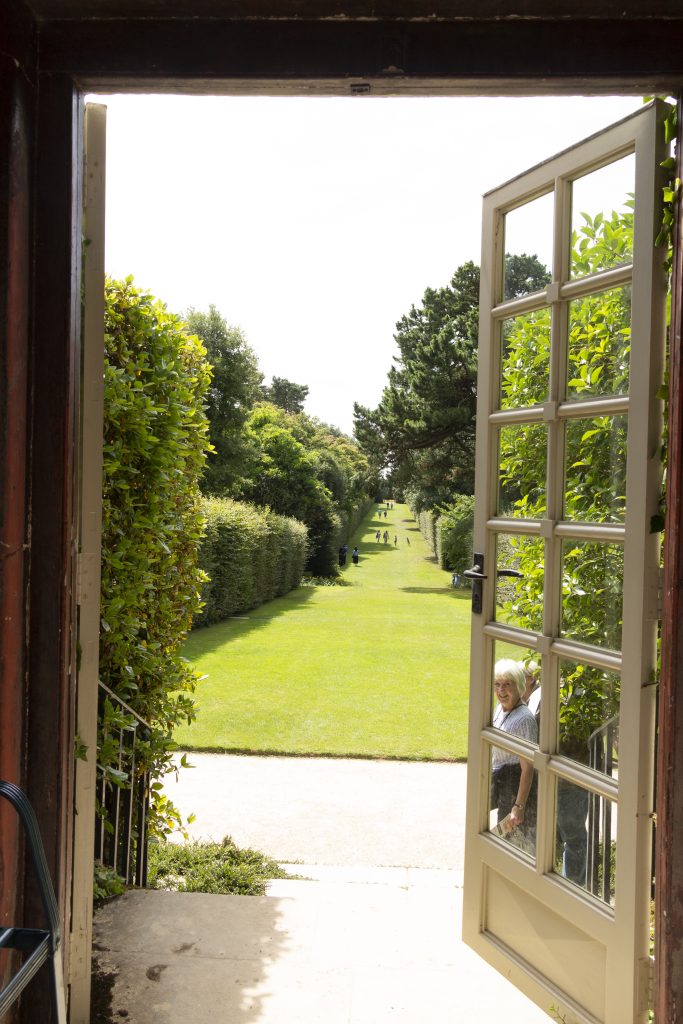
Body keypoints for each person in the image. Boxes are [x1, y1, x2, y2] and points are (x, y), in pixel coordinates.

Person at [490, 659, 538, 849]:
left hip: (513, 790)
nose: (501, 691)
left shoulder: (524, 719)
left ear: (518, 686)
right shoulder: (499, 709)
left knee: (511, 847)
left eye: (507, 685)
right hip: (500, 786)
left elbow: (528, 768)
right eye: (497, 684)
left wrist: (518, 807)